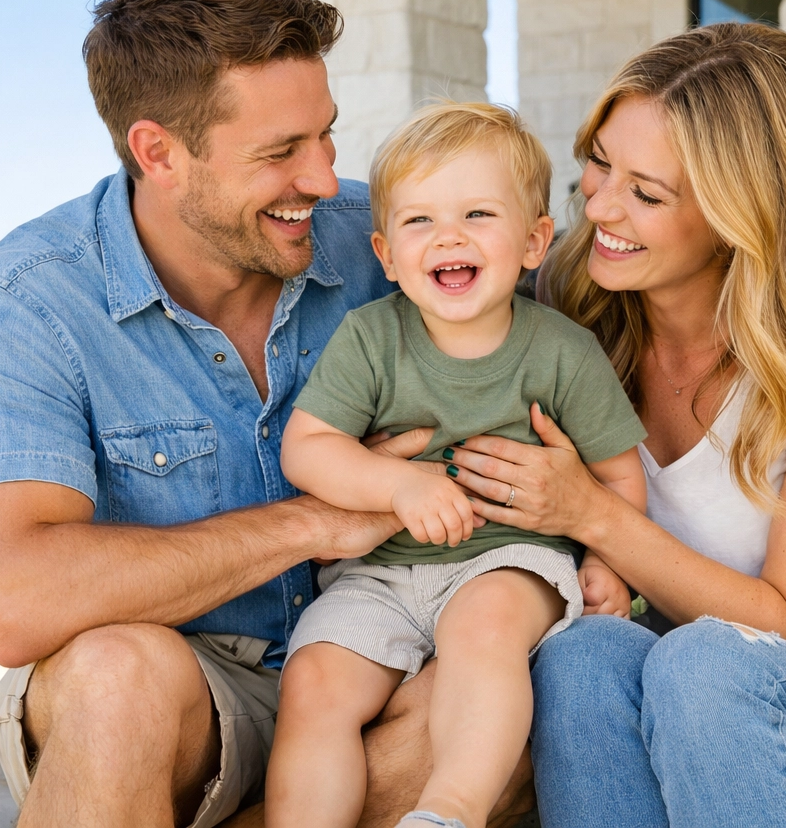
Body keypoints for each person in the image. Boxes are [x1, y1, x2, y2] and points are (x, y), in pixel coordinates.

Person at [0, 0, 530, 828]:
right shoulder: (31, 297)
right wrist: (315, 520)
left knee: (516, 694)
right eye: (281, 152)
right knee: (115, 680)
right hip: (180, 695)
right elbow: (16, 601)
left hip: (386, 659)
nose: (325, 179)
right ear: (158, 152)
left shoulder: (396, 244)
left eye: (325, 134)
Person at [441, 23, 786, 828]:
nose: (600, 206)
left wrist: (590, 511)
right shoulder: (576, 311)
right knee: (581, 656)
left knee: (707, 661)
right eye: (600, 162)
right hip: (700, 716)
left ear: (742, 214)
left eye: (647, 193)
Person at [266, 103, 647, 828]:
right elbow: (308, 447)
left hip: (507, 560)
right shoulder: (372, 338)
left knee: (485, 632)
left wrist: (608, 561)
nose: (448, 236)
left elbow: (619, 476)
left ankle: (449, 811)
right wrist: (396, 483)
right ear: (383, 254)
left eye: (477, 213)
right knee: (315, 682)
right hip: (378, 574)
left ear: (535, 241)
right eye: (419, 222)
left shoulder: (561, 352)